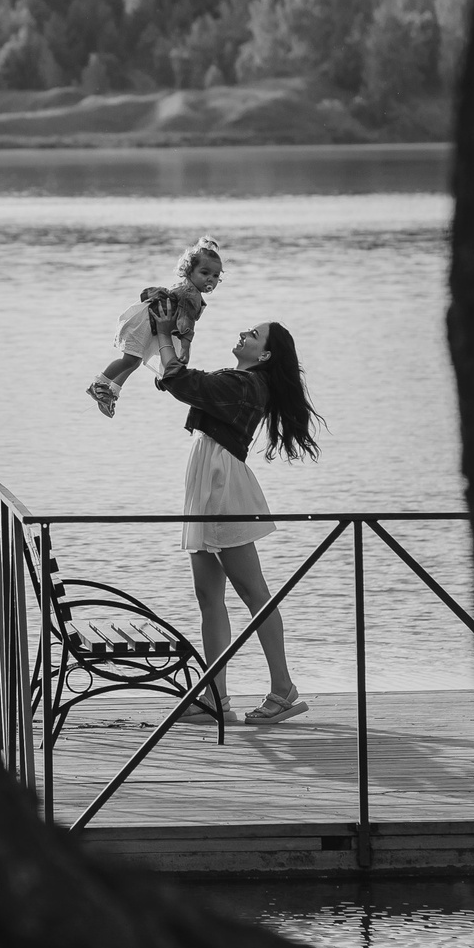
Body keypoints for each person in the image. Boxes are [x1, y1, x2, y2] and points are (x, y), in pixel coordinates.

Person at [154, 321, 323, 725]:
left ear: (264, 354)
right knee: (208, 596)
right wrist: (176, 341)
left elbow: (181, 381)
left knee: (253, 592)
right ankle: (215, 696)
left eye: (254, 334)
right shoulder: (238, 380)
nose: (244, 334)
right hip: (207, 480)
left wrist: (162, 336)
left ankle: (283, 689)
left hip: (222, 485)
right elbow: (179, 377)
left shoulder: (246, 384)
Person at [84, 237, 223, 417]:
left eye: (216, 275)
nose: (210, 279)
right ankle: (99, 383)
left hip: (153, 324)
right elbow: (186, 325)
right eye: (204, 273)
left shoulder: (189, 289)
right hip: (145, 322)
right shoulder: (190, 294)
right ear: (189, 271)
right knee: (130, 360)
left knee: (134, 361)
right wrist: (186, 348)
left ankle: (112, 391)